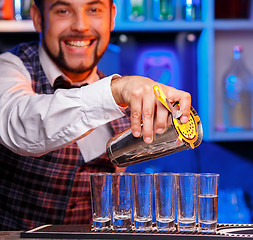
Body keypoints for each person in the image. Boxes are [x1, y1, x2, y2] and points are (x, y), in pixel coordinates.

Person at [0, 0, 191, 230]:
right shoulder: (9, 69)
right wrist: (116, 91)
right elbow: (19, 124)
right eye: (63, 10)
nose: (81, 25)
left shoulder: (121, 100)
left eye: (94, 9)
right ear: (38, 18)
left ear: (111, 17)